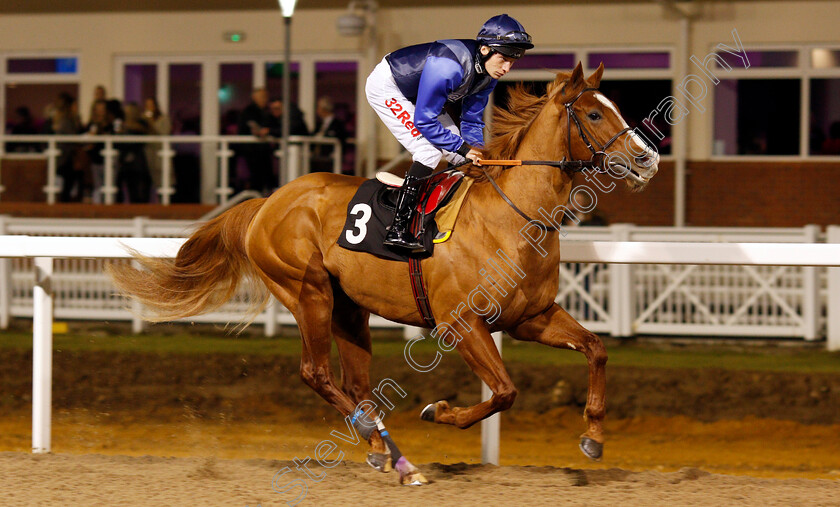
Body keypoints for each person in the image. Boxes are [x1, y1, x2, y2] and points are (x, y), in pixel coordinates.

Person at [365, 14, 533, 252]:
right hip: (390, 88)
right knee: (427, 151)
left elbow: (472, 121)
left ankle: (441, 217)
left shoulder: (488, 76)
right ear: (485, 49)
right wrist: (464, 148)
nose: (506, 68)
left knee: (460, 157)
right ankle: (397, 228)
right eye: (504, 59)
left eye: (512, 62)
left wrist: (475, 151)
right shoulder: (449, 66)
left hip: (420, 98)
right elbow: (424, 121)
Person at [237, 87, 274, 195]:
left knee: (267, 177)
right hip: (252, 151)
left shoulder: (267, 111)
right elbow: (251, 128)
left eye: (266, 97)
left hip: (263, 151)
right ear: (254, 97)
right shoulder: (248, 112)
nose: (265, 99)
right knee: (256, 177)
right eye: (262, 97)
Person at [142, 97, 172, 197]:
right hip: (148, 154)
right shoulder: (143, 119)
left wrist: (150, 123)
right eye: (147, 105)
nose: (149, 108)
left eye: (151, 105)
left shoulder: (163, 119)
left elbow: (163, 134)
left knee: (161, 180)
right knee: (146, 181)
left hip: (159, 154)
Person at [311, 96, 349, 173]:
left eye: (318, 107)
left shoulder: (338, 124)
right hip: (317, 158)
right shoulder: (319, 124)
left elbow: (341, 140)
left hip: (330, 160)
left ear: (324, 109)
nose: (317, 110)